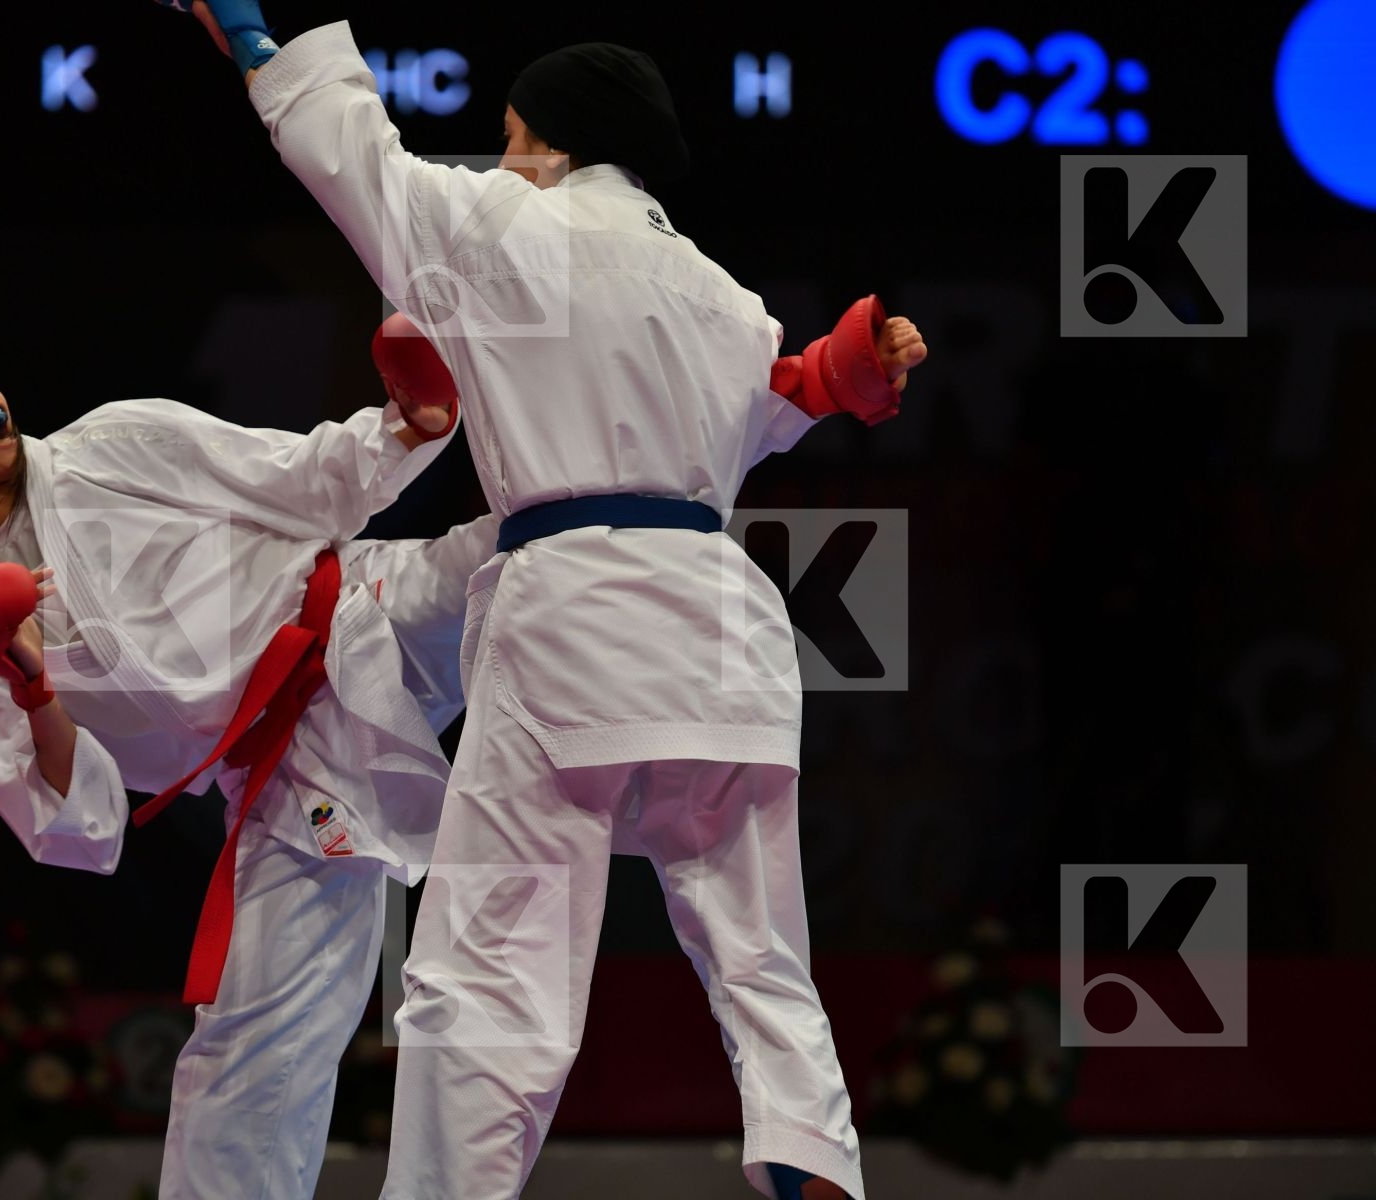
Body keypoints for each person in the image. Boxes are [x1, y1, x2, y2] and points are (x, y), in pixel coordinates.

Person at [164, 5, 934, 1198]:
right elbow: (774, 399)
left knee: (490, 974)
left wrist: (267, 48)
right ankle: (806, 1141)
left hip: (573, 610)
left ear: (554, 141)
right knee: (760, 943)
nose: (504, 158)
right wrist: (847, 371)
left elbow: (353, 154)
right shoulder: (722, 294)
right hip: (723, 621)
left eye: (514, 136)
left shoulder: (503, 229)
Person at [0, 330, 497, 1200]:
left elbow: (295, 478)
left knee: (543, 552)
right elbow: (74, 816)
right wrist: (33, 688)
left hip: (366, 611)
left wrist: (410, 427)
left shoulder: (113, 442)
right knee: (246, 1054)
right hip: (293, 778)